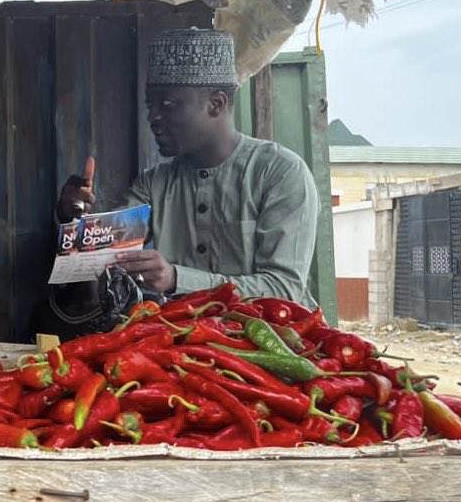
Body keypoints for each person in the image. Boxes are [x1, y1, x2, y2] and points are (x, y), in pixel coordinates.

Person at [55, 28, 319, 309]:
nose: (153, 117)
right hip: (183, 335)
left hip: (270, 335)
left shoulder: (278, 173)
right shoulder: (153, 185)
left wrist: (176, 279)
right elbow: (106, 259)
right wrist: (74, 219)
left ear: (215, 104)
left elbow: (283, 290)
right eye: (150, 106)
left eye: (167, 104)